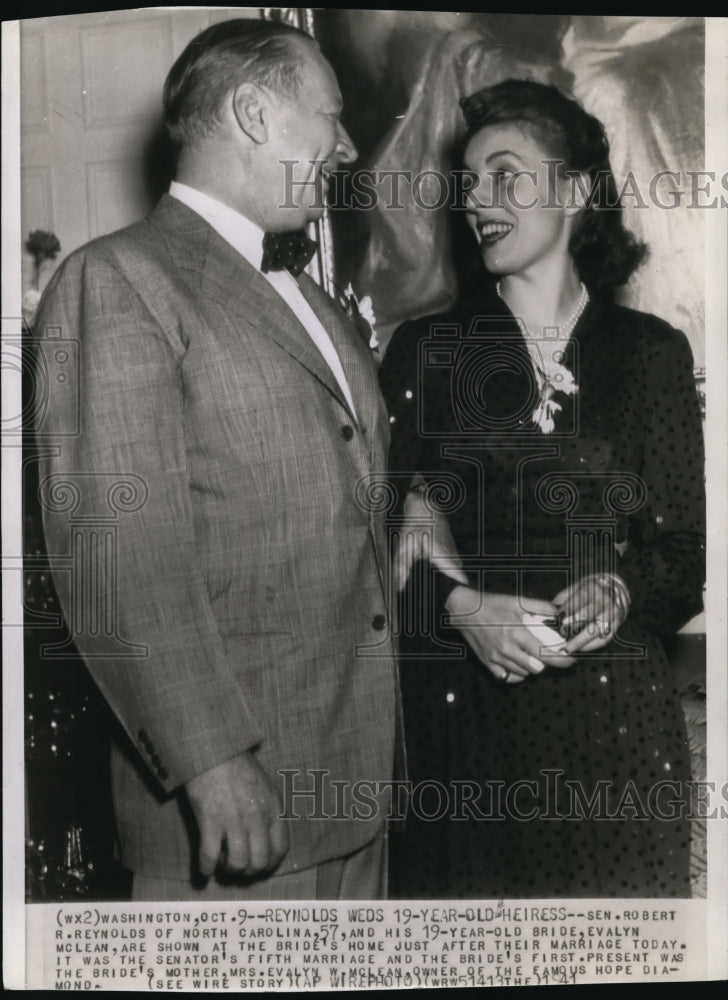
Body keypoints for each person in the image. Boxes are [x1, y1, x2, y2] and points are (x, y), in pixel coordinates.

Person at [35, 18, 399, 901]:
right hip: (238, 814)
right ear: (253, 111)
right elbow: (120, 554)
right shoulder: (116, 280)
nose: (348, 148)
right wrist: (211, 764)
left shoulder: (311, 295)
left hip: (355, 793)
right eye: (332, 115)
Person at [380, 79, 705, 898]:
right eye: (469, 182)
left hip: (614, 732)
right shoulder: (428, 349)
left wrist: (621, 590)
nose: (478, 201)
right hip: (466, 730)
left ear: (578, 189)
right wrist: (462, 610)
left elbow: (681, 550)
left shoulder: (649, 352)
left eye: (506, 174)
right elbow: (381, 537)